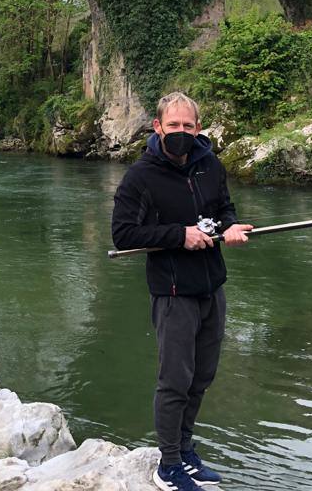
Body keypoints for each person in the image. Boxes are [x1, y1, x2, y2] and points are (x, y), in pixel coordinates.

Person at [111, 92, 252, 491]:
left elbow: (224, 209)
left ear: (198, 128)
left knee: (201, 376)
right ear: (157, 127)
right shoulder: (141, 175)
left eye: (188, 126)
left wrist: (233, 226)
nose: (181, 133)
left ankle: (186, 451)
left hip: (212, 286)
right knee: (175, 379)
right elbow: (122, 234)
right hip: (172, 291)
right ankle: (167, 464)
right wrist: (179, 235)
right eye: (173, 126)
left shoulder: (210, 166)